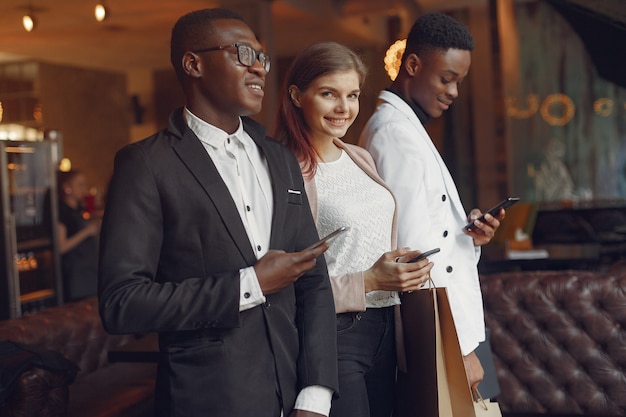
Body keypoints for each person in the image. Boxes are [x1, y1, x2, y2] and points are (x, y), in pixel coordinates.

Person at [98, 8, 338, 417]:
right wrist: (249, 284)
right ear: (194, 63)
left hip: (298, 400)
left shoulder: (280, 158)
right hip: (207, 400)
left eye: (261, 57)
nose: (259, 68)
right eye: (243, 53)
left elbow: (313, 280)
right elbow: (122, 303)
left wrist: (316, 393)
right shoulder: (146, 164)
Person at [274, 41, 433, 417]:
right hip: (333, 334)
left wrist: (398, 264)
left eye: (353, 95)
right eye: (329, 94)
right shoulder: (287, 173)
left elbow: (363, 239)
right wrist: (370, 280)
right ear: (297, 95)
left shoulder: (358, 157)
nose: (344, 108)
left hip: (386, 329)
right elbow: (281, 283)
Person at [359, 13, 504, 395]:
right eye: (447, 78)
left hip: (457, 327)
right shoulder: (393, 134)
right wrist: (460, 350)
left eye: (459, 81)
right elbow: (414, 255)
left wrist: (468, 234)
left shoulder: (405, 128)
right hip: (446, 333)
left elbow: (430, 231)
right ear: (412, 65)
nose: (454, 92)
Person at [56, 170, 100, 302]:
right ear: (67, 187)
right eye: (80, 185)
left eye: (85, 185)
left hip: (90, 273)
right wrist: (87, 232)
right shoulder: (62, 211)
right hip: (77, 278)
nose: (84, 189)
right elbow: (61, 247)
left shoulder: (80, 209)